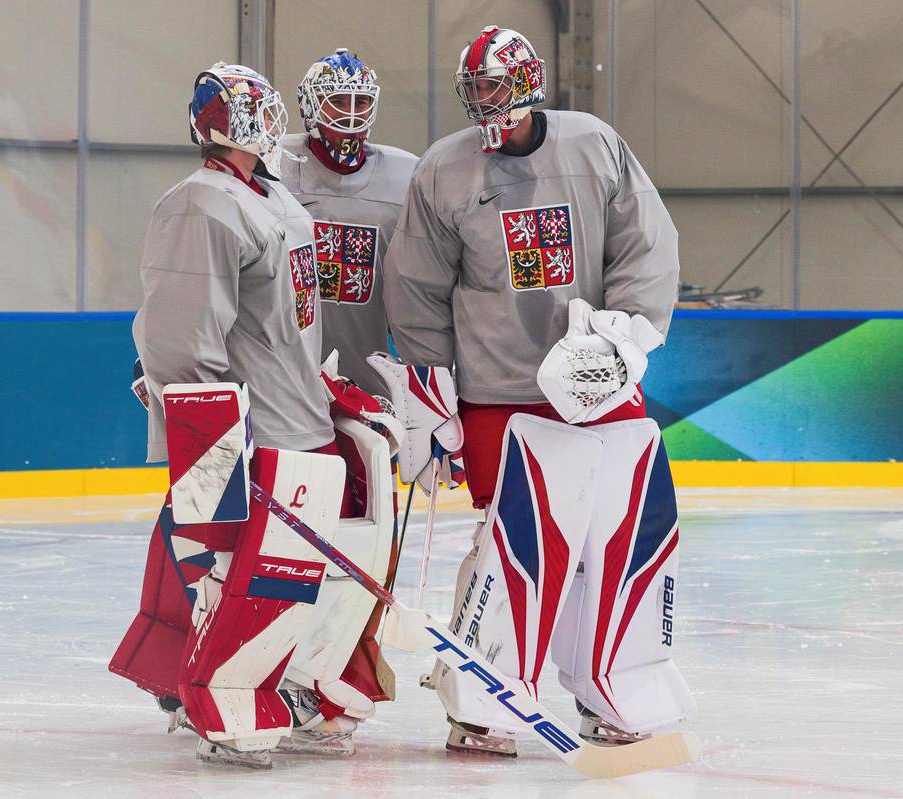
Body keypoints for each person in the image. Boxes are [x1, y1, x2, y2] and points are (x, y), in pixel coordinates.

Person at [382, 26, 695, 756]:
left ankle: (613, 687)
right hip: (498, 393)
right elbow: (417, 286)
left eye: (492, 85)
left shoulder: (594, 145)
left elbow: (646, 244)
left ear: (526, 80)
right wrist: (431, 390)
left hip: (599, 387)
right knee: (512, 542)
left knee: (608, 543)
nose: (482, 100)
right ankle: (482, 696)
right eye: (475, 88)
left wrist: (620, 339)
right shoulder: (444, 170)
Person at [111, 62, 397, 767]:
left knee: (303, 583)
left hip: (299, 421)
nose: (265, 123)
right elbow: (180, 343)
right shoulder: (202, 203)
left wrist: (323, 393)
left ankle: (286, 687)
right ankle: (221, 697)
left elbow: (280, 324)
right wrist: (213, 461)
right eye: (252, 112)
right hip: (258, 432)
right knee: (235, 575)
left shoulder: (268, 195)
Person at [277, 49, 418, 400]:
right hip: (283, 374)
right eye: (337, 101)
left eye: (360, 102)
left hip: (368, 374)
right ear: (309, 105)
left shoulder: (408, 174)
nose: (350, 114)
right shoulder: (272, 164)